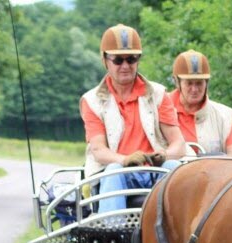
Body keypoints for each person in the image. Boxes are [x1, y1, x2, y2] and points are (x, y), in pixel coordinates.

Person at [80, 24, 186, 213]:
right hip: (116, 173)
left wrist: (165, 155)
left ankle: (176, 234)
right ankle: (112, 237)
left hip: (155, 170)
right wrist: (125, 160)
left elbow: (178, 143)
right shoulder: (92, 100)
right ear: (105, 60)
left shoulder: (159, 94)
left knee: (174, 167)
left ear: (138, 59)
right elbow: (99, 151)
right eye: (118, 60)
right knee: (113, 171)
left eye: (131, 59)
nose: (125, 66)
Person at [168, 50, 232, 156]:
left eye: (199, 83)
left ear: (207, 83)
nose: (194, 89)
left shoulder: (225, 116)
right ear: (177, 82)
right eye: (189, 83)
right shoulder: (158, 110)